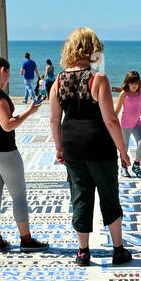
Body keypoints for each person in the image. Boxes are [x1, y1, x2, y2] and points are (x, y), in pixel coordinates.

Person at [49, 27, 132, 267]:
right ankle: (118, 250)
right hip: (99, 146)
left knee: (80, 197)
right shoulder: (98, 78)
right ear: (92, 48)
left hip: (72, 145)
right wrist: (123, 151)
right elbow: (110, 120)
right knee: (109, 196)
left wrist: (58, 148)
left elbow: (54, 119)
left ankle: (83, 252)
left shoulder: (58, 81)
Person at [0, 56, 48, 253]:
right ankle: (26, 239)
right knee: (18, 195)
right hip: (4, 151)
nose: (9, 77)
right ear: (2, 70)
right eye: (9, 72)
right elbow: (7, 125)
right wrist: (29, 112)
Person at [115, 71, 141, 178]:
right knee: (124, 148)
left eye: (136, 83)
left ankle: (136, 165)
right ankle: (124, 168)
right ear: (127, 83)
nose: (134, 86)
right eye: (132, 83)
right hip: (125, 125)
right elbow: (117, 110)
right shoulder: (123, 94)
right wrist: (111, 124)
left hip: (137, 124)